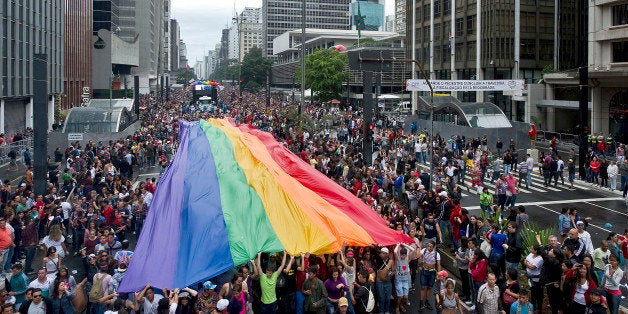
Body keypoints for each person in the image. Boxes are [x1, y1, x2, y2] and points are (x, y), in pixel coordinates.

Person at [418, 240, 441, 310]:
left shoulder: (437, 254)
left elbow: (438, 265)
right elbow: (418, 255)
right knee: (422, 287)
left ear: (433, 247)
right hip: (424, 271)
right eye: (428, 246)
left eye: (431, 247)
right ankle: (421, 302)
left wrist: (439, 274)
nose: (429, 248)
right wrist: (419, 254)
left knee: (429, 287)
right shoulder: (424, 250)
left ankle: (427, 302)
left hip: (432, 272)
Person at [393, 243, 413, 313]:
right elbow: (395, 251)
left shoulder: (407, 259)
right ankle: (397, 307)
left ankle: (401, 305)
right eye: (401, 255)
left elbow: (412, 249)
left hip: (405, 280)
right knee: (400, 296)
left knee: (405, 297)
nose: (403, 256)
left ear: (406, 255)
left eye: (404, 255)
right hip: (398, 280)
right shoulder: (398, 259)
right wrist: (398, 244)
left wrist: (404, 244)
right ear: (400, 254)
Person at [523, 245, 544, 312]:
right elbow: (525, 261)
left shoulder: (540, 259)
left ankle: (539, 308)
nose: (530, 249)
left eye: (532, 249)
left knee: (538, 295)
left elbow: (533, 267)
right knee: (533, 294)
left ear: (536, 251)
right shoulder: (530, 254)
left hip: (537, 280)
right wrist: (528, 264)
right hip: (530, 278)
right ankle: (533, 307)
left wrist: (527, 263)